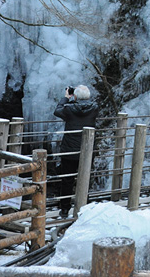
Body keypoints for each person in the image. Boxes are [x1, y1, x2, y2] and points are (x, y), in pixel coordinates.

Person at [53, 85, 98, 218]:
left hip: (69, 150)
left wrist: (67, 98)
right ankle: (84, 206)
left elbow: (57, 111)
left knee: (67, 180)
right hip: (87, 150)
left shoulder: (69, 109)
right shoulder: (94, 108)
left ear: (75, 96)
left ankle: (65, 209)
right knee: (85, 178)